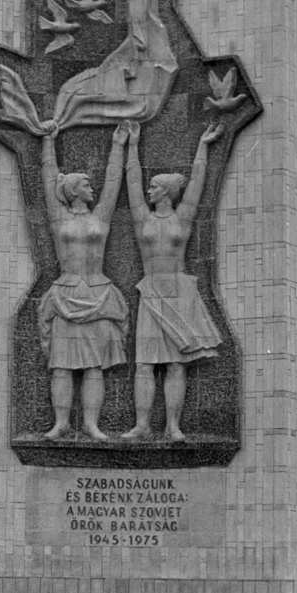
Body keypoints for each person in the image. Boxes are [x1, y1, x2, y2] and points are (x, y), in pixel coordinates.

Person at [122, 120, 223, 441]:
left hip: (181, 293)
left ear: (166, 192)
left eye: (154, 187)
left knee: (177, 365)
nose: (148, 191)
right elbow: (132, 182)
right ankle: (142, 425)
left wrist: (203, 147)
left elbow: (196, 185)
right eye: (149, 187)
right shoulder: (143, 219)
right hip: (151, 291)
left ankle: (173, 426)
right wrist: (133, 146)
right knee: (145, 365)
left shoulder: (182, 217)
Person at [37, 123, 129, 440]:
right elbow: (50, 177)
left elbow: (113, 185)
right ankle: (61, 423)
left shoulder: (99, 217)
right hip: (64, 295)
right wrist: (48, 141)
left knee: (94, 366)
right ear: (74, 190)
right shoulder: (59, 217)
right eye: (87, 185)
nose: (93, 189)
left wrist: (118, 146)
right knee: (61, 366)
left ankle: (92, 424)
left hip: (99, 294)